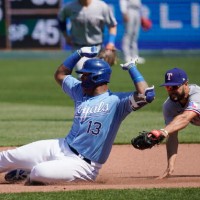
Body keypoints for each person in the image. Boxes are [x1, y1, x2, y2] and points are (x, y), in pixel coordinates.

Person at [0, 46, 155, 185]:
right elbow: (60, 74)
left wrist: (132, 68)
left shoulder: (117, 102)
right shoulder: (79, 91)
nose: (81, 78)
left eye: (85, 75)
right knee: (8, 156)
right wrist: (78, 53)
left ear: (97, 78)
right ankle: (33, 170)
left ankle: (29, 173)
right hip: (62, 146)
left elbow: (147, 95)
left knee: (38, 172)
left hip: (84, 166)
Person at [147, 68, 200, 179]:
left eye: (175, 87)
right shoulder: (169, 106)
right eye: (168, 87)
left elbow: (185, 118)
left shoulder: (197, 95)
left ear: (186, 84)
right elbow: (172, 135)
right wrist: (170, 165)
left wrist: (164, 131)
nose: (171, 90)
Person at [57, 0, 117, 76]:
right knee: (84, 77)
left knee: (99, 78)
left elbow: (112, 25)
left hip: (98, 48)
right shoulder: (70, 7)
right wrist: (66, 36)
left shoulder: (102, 6)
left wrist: (111, 42)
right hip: (79, 49)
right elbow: (61, 19)